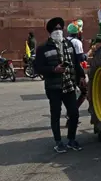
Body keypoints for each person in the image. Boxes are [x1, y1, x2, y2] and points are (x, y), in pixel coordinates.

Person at [34, 17, 85, 153]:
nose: (58, 31)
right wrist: (53, 70)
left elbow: (76, 63)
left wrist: (81, 77)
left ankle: (71, 139)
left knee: (74, 114)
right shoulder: (43, 48)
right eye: (55, 29)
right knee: (55, 114)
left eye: (60, 28)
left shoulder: (69, 45)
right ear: (50, 32)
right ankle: (58, 142)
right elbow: (38, 68)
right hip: (53, 87)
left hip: (69, 85)